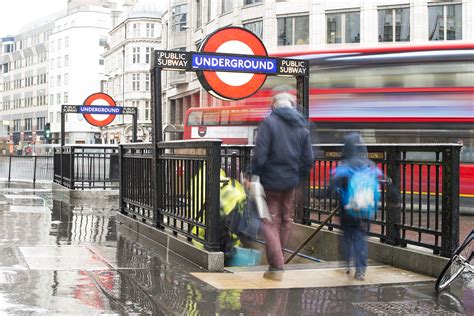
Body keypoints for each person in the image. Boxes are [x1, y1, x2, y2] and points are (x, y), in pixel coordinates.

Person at [247, 89, 314, 281]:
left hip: (270, 181)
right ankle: (279, 260)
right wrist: (297, 175)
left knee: (269, 220)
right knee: (286, 220)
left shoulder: (269, 123)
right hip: (291, 182)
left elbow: (260, 154)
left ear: (274, 106)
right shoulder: (302, 126)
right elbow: (308, 159)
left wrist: (254, 174)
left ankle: (276, 266)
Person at [330, 132, 382, 281]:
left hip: (347, 210)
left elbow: (332, 185)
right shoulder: (370, 165)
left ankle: (346, 263)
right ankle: (360, 270)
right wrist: (395, 199)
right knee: (360, 237)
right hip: (366, 210)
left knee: (347, 236)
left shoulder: (344, 167)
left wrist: (324, 195)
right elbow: (385, 180)